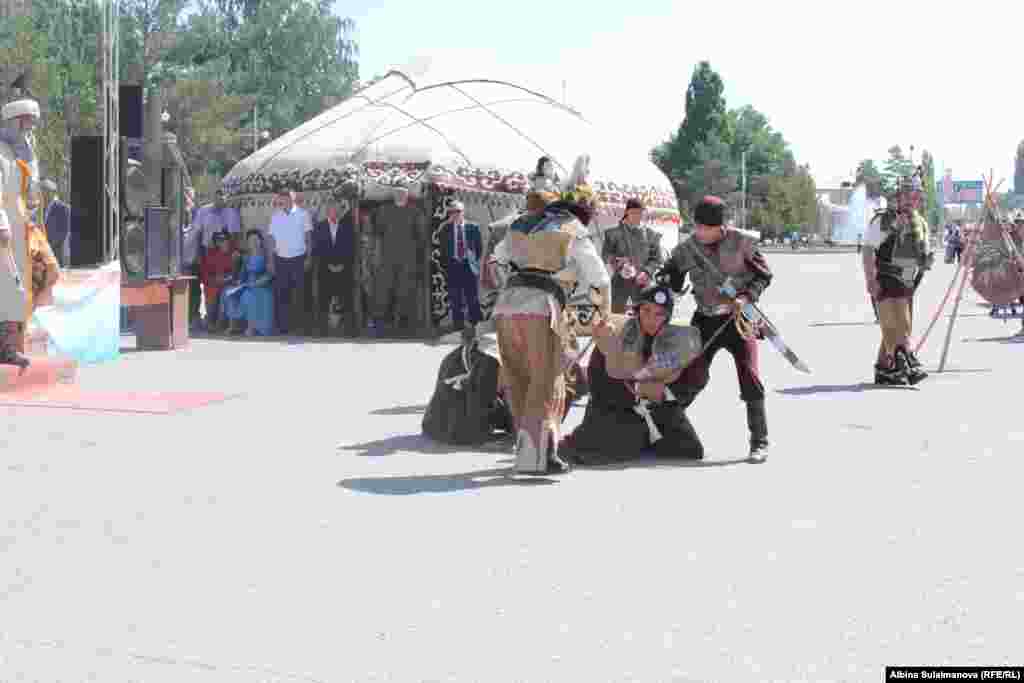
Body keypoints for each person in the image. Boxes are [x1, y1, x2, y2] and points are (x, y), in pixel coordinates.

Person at [491, 177, 611, 474]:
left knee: (518, 378)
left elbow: (497, 257)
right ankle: (536, 458)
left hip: (506, 306)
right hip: (542, 307)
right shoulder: (573, 229)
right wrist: (600, 313)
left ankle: (532, 449)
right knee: (545, 381)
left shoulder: (519, 225)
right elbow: (599, 277)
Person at [659, 195, 774, 462]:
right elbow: (673, 276)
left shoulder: (742, 242)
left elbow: (763, 275)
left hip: (738, 320)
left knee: (750, 376)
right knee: (691, 375)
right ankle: (666, 429)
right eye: (697, 227)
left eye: (705, 228)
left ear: (721, 227)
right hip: (705, 319)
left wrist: (747, 296)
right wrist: (668, 280)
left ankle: (760, 441)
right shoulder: (688, 248)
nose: (700, 232)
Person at [560, 283, 704, 465]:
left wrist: (665, 394)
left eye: (659, 314)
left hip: (658, 409)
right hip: (615, 410)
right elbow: (598, 383)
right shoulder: (617, 332)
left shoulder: (675, 341)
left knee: (690, 450)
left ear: (668, 317)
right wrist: (636, 391)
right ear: (637, 311)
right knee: (612, 449)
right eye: (646, 311)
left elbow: (696, 378)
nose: (651, 318)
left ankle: (647, 439)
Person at [861, 176, 934, 385]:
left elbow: (922, 255)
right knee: (895, 326)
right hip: (885, 278)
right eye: (908, 195)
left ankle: (885, 370)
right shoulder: (883, 220)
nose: (912, 200)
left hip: (907, 282)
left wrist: (925, 260)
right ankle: (906, 364)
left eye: (916, 196)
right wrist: (870, 280)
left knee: (897, 326)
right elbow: (867, 251)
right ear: (899, 196)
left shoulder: (920, 223)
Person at [0, 96, 41, 357]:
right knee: (7, 287)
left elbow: (32, 193)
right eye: (26, 123)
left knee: (26, 284)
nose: (30, 129)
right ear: (14, 122)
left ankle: (13, 345)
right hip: (4, 230)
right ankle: (6, 347)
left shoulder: (25, 154)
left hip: (22, 229)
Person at [373, 186, 427, 335]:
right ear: (394, 194)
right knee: (383, 290)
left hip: (408, 258)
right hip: (387, 257)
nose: (400, 195)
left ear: (408, 195)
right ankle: (380, 324)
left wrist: (419, 258)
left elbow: (422, 237)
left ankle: (406, 326)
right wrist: (377, 256)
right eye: (397, 192)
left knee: (406, 290)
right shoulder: (384, 211)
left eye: (403, 192)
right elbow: (377, 234)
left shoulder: (415, 212)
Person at [602, 198, 664, 313]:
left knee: (642, 319)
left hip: (642, 285)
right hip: (619, 285)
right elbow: (605, 256)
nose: (638, 216)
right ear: (627, 212)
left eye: (640, 213)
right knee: (616, 318)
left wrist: (647, 272)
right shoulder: (612, 234)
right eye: (634, 213)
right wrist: (618, 263)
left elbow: (657, 259)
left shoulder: (651, 235)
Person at [267, 189, 312, 335]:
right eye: (282, 199)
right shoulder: (275, 217)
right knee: (281, 294)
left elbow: (308, 238)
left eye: (286, 198)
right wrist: (271, 261)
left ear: (292, 199)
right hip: (280, 259)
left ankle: (300, 326)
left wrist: (309, 257)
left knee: (300, 293)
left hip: (299, 258)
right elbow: (272, 240)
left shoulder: (303, 215)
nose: (283, 201)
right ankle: (283, 327)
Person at [311, 201, 356, 337]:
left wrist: (342, 264)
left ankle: (348, 330)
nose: (334, 213)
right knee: (324, 299)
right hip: (325, 269)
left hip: (344, 269)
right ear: (327, 212)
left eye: (336, 211)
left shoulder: (347, 227)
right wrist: (329, 264)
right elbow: (317, 248)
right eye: (331, 210)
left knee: (346, 299)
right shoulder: (320, 227)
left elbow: (351, 248)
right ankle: (322, 330)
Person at [439, 200, 483, 334]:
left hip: (468, 265)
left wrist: (472, 261)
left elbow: (478, 248)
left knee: (472, 297)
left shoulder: (473, 227)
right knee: (455, 298)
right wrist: (447, 266)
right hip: (453, 266)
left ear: (463, 212)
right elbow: (443, 250)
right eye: (452, 212)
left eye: (458, 211)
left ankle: (476, 325)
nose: (455, 214)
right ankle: (458, 327)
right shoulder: (445, 229)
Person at [222, 230, 275, 336]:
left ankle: (252, 327)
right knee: (228, 292)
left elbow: (270, 275)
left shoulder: (266, 256)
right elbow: (242, 275)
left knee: (247, 296)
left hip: (262, 286)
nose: (253, 242)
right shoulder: (246, 257)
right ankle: (233, 326)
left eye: (256, 239)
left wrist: (257, 283)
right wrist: (239, 283)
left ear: (260, 241)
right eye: (251, 240)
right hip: (248, 284)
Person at [199, 230, 238, 331]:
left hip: (229, 283)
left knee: (225, 292)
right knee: (211, 291)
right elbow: (205, 273)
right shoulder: (211, 254)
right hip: (213, 284)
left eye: (225, 239)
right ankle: (211, 321)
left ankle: (219, 323)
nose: (222, 242)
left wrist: (226, 279)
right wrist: (215, 280)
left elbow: (236, 273)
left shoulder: (234, 254)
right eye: (219, 240)